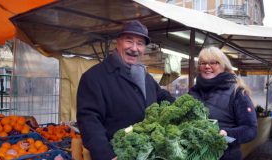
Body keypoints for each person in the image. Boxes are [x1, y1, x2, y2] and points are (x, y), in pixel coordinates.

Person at [76, 20, 175, 160]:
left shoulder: (146, 78)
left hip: (147, 153)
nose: (134, 48)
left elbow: (162, 97)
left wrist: (183, 106)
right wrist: (107, 155)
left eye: (140, 43)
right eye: (129, 41)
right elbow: (89, 121)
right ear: (118, 42)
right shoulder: (94, 77)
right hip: (117, 154)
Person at [188, 46, 257, 160]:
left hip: (225, 156)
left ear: (223, 66)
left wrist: (227, 133)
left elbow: (250, 129)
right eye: (203, 63)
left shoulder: (237, 92)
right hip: (195, 155)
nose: (207, 66)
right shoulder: (193, 91)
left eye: (213, 62)